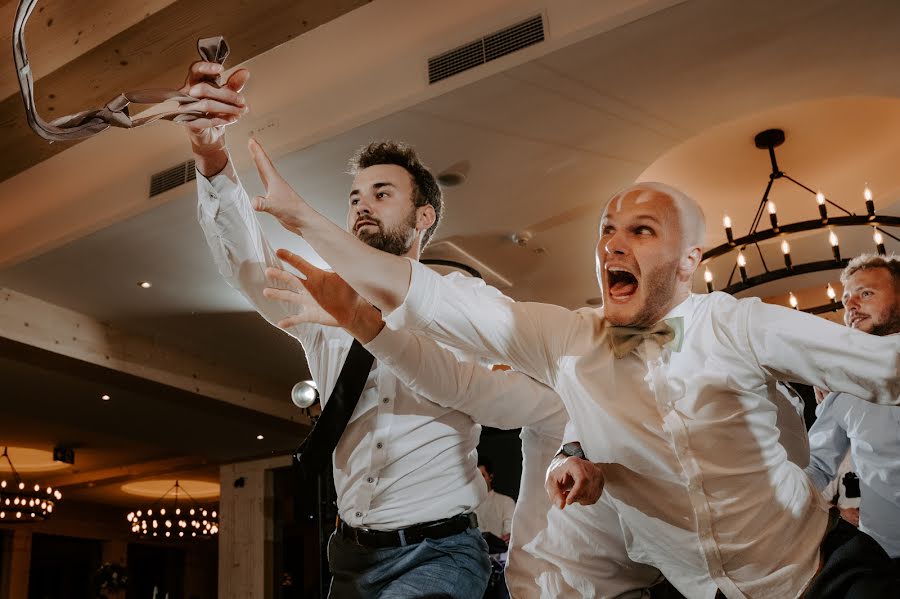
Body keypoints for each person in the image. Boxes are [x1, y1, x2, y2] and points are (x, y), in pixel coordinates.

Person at [245, 159, 900, 598]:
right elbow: (440, 305)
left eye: (641, 231)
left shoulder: (743, 328)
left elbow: (880, 373)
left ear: (690, 260)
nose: (614, 244)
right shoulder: (567, 343)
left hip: (826, 576)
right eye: (606, 231)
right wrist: (306, 223)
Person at [180, 60, 492, 597]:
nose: (361, 206)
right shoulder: (324, 300)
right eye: (354, 197)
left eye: (382, 194)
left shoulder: (465, 303)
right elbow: (248, 266)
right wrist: (211, 155)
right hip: (349, 556)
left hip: (438, 554)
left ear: (424, 218)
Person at [262, 251, 665, 598]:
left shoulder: (657, 431)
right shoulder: (551, 388)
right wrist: (363, 323)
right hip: (532, 585)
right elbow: (457, 384)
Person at [805, 254, 900, 561]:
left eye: (866, 293)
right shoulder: (840, 384)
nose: (851, 305)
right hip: (886, 556)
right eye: (846, 299)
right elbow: (817, 467)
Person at [475, 456, 516, 542]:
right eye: (476, 477)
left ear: (490, 477)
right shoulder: (468, 507)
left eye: (482, 475)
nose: (479, 480)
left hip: (499, 552)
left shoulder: (506, 502)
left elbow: (509, 532)